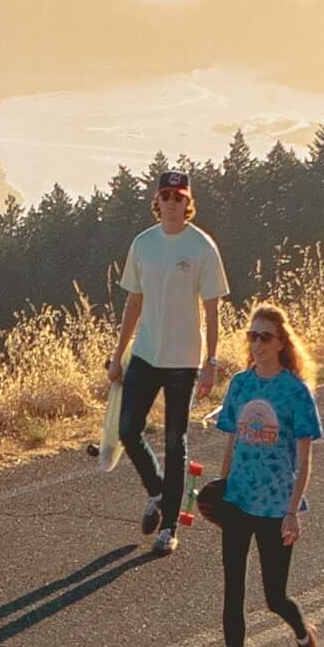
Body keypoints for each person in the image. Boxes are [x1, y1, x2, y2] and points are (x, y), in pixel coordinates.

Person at [200, 302, 322, 647]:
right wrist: (222, 487)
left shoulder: (295, 392)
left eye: (265, 336)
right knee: (232, 592)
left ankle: (303, 635)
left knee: (275, 597)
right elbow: (231, 440)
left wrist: (293, 511)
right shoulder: (240, 385)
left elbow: (304, 459)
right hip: (238, 500)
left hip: (275, 506)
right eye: (252, 336)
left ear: (281, 342)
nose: (256, 343)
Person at [107, 168, 227, 554]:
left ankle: (169, 527)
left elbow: (212, 310)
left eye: (179, 197)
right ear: (156, 202)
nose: (172, 203)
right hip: (145, 354)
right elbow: (134, 302)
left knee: (176, 441)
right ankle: (158, 491)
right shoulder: (143, 244)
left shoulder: (201, 247)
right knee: (128, 430)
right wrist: (117, 354)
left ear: (188, 203)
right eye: (166, 196)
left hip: (184, 361)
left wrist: (211, 361)